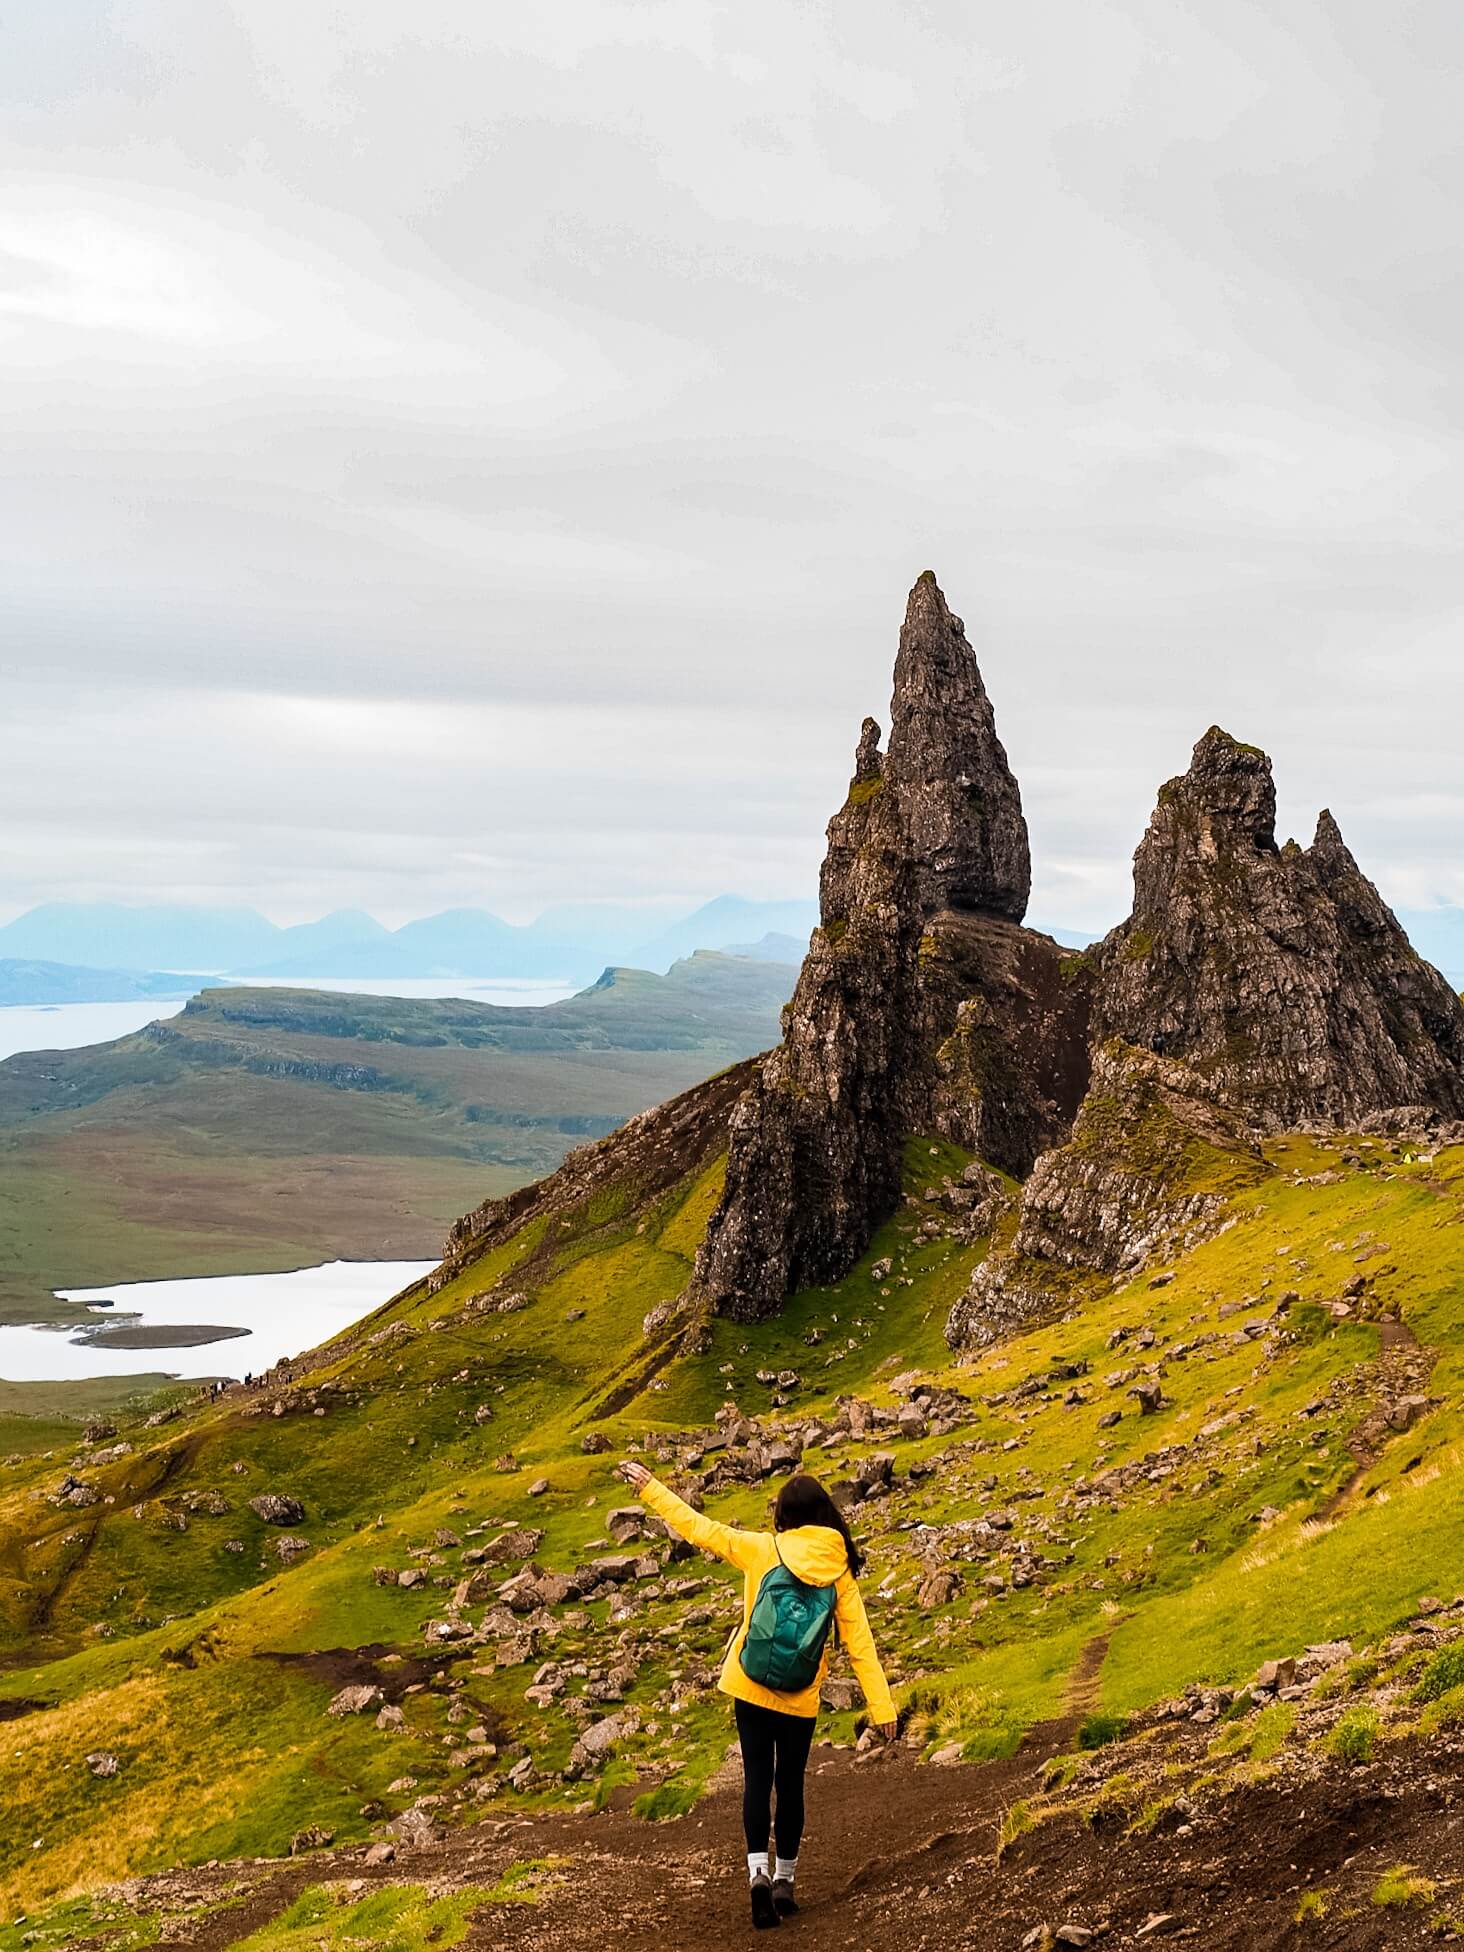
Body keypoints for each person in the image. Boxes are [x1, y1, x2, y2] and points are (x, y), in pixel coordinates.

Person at [618, 1458, 898, 1930]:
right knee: (790, 1785)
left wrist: (650, 1487)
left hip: (749, 1685)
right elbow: (860, 1646)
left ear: (784, 1518)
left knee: (756, 1780)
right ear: (826, 1515)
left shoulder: (761, 1549)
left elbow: (699, 1528)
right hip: (800, 1695)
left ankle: (758, 1875)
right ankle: (786, 1881)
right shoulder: (840, 1568)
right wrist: (882, 1707)